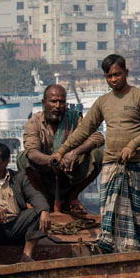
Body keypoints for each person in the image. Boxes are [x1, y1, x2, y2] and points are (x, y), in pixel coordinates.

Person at [51, 54, 140, 252]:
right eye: (109, 76)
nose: (113, 79)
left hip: (136, 163)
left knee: (138, 212)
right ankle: (111, 247)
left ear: (126, 73)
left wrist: (131, 146)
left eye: (117, 75)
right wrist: (62, 151)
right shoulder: (103, 102)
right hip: (111, 162)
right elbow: (84, 130)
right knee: (110, 208)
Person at [17, 84, 104, 214]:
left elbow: (98, 137)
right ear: (44, 103)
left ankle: (72, 197)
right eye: (53, 101)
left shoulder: (74, 119)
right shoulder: (34, 122)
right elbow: (32, 152)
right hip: (45, 172)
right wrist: (52, 160)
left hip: (70, 171)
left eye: (61, 102)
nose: (57, 106)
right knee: (23, 159)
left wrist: (75, 153)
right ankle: (44, 198)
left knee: (98, 154)